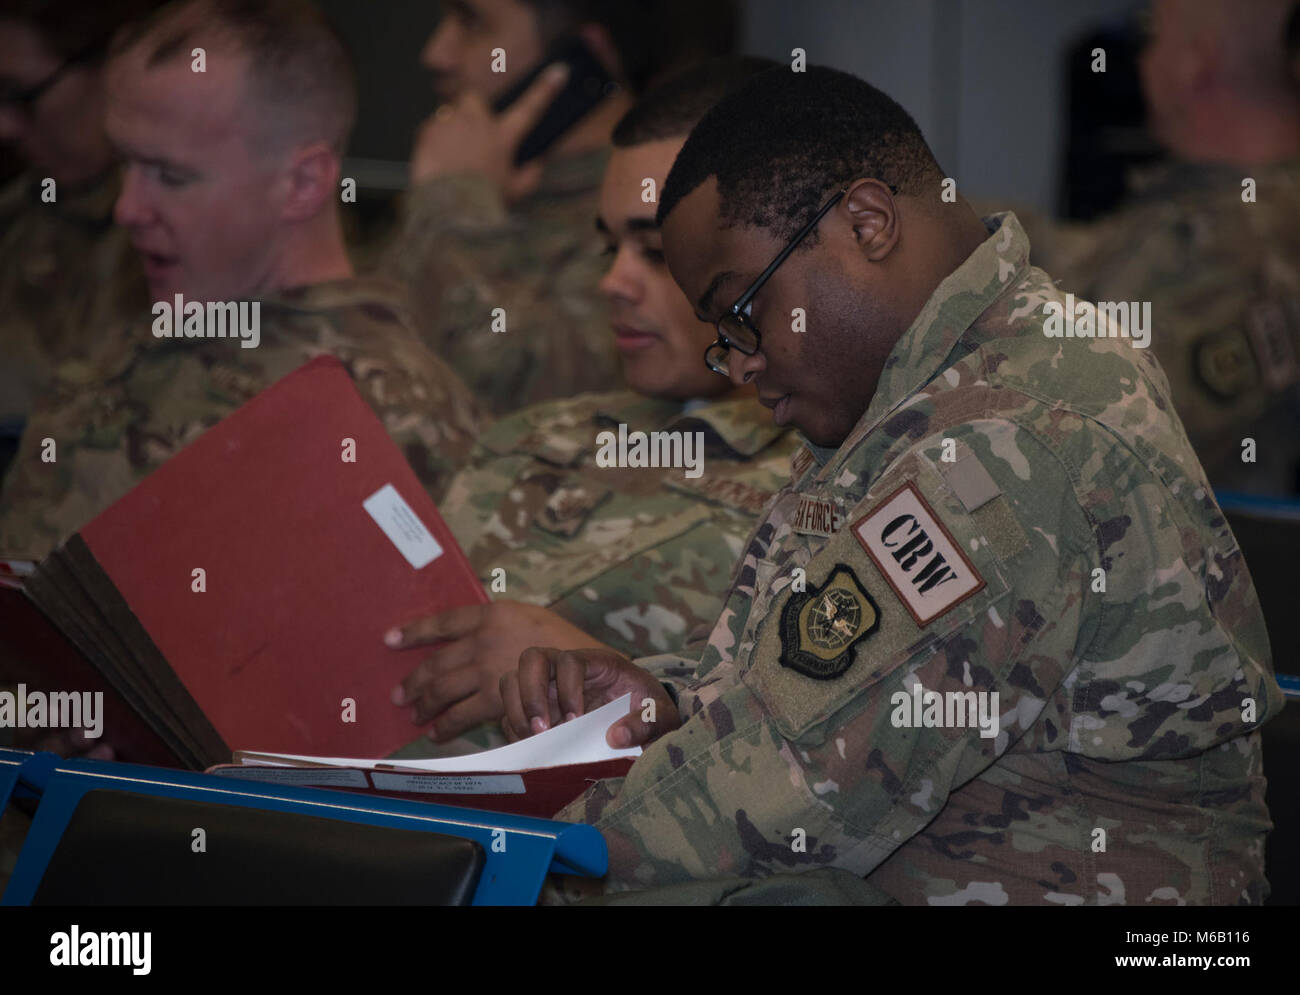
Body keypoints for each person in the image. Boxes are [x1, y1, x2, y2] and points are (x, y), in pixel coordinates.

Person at [500, 65, 1285, 905]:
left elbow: (791, 784)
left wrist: (511, 849)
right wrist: (672, 702)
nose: (738, 360)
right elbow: (810, 685)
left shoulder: (1012, 439)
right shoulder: (921, 386)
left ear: (868, 223)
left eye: (741, 315)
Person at [385, 56, 797, 758]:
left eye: (657, 250)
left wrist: (587, 664)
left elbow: (806, 755)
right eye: (610, 246)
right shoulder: (535, 433)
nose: (612, 281)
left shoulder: (830, 477)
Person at [0, 0, 486, 564]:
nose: (128, 208)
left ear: (302, 184)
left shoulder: (391, 420)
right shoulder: (129, 351)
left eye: (171, 176)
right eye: (125, 165)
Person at [381, 0, 738, 415]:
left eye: (471, 22)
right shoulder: (473, 184)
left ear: (581, 58)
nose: (437, 54)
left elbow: (528, 396)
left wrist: (455, 208)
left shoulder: (658, 204)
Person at [1039, 0, 1300, 495]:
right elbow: (1092, 258)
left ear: (1194, 63)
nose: (1142, 60)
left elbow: (1094, 443)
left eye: (1153, 36)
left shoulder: (1244, 244)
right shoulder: (1220, 208)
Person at [0, 0, 159, 473]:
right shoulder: (20, 214)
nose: (5, 126)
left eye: (24, 94)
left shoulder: (205, 235)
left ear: (119, 67)